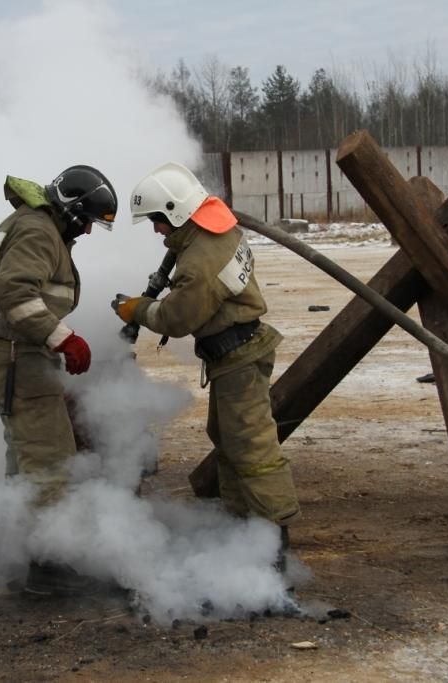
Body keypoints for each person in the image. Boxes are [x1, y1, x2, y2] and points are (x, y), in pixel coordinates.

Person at [112, 161, 300, 571]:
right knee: (229, 437)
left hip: (238, 356)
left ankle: (271, 545)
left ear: (177, 211)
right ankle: (243, 530)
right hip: (235, 352)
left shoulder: (200, 259)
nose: (158, 231)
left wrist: (136, 308)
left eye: (158, 221)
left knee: (252, 448)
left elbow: (177, 319)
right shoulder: (215, 230)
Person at [0, 165, 118, 596]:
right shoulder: (37, 231)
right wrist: (62, 338)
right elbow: (15, 293)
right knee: (50, 459)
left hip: (13, 350)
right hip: (19, 353)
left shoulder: (29, 223)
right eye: (87, 222)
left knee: (26, 458)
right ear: (72, 211)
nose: (88, 233)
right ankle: (50, 568)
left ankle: (30, 552)